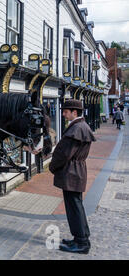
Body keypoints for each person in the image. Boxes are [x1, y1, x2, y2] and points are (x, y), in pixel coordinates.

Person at [49, 99, 96, 254]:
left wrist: (52, 166)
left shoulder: (77, 128)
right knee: (76, 206)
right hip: (76, 171)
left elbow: (64, 154)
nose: (63, 114)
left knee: (74, 207)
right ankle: (80, 238)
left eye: (66, 111)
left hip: (72, 172)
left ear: (74, 112)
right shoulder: (81, 126)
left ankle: (81, 243)